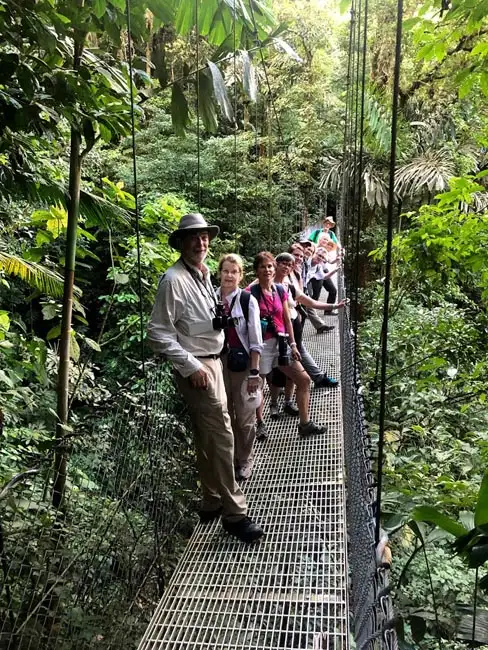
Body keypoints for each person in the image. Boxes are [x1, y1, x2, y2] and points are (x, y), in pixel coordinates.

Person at [147, 213, 264, 543]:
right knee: (223, 435)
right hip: (197, 369)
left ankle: (212, 499)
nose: (201, 242)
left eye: (204, 236)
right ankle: (234, 513)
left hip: (214, 363)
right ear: (181, 242)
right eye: (194, 237)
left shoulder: (201, 275)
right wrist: (190, 366)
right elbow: (157, 332)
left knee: (207, 435)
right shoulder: (173, 280)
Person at [249, 251, 326, 437]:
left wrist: (293, 344)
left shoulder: (280, 290)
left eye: (269, 266)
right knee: (258, 385)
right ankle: (259, 423)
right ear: (256, 271)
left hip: (281, 344)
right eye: (262, 267)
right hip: (261, 346)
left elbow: (286, 319)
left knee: (304, 379)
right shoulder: (250, 293)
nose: (267, 270)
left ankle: (305, 423)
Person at [217, 254, 263, 481]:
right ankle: (231, 458)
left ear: (240, 275)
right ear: (219, 273)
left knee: (244, 416)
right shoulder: (210, 298)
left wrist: (255, 372)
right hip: (217, 364)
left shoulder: (247, 300)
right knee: (225, 415)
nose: (229, 275)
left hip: (243, 365)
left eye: (234, 272)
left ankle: (245, 459)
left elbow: (255, 339)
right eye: (225, 271)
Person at [274, 252, 341, 391]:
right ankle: (279, 394)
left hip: (294, 326)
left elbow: (310, 302)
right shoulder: (264, 284)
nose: (286, 267)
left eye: (289, 265)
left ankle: (316, 378)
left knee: (299, 351)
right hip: (278, 330)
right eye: (283, 263)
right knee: (287, 357)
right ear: (276, 264)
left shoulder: (289, 286)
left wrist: (334, 306)